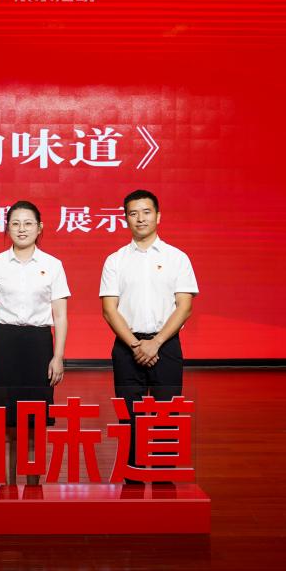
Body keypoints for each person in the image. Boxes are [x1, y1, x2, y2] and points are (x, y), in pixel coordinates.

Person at [99, 189, 198, 480]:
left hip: (166, 344)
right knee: (129, 417)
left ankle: (165, 478)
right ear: (125, 218)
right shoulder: (115, 260)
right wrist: (136, 345)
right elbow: (109, 310)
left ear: (158, 216)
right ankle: (133, 477)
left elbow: (184, 307)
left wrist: (155, 343)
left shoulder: (177, 258)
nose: (140, 218)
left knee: (167, 415)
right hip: (126, 346)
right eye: (133, 213)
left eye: (146, 212)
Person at [0, 201, 69, 485]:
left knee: (35, 423)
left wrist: (58, 356)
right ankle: (7, 486)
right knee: (6, 424)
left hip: (38, 345)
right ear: (7, 228)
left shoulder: (53, 265)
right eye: (15, 223)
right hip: (3, 343)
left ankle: (32, 488)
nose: (22, 229)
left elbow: (60, 314)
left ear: (40, 228)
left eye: (28, 223)